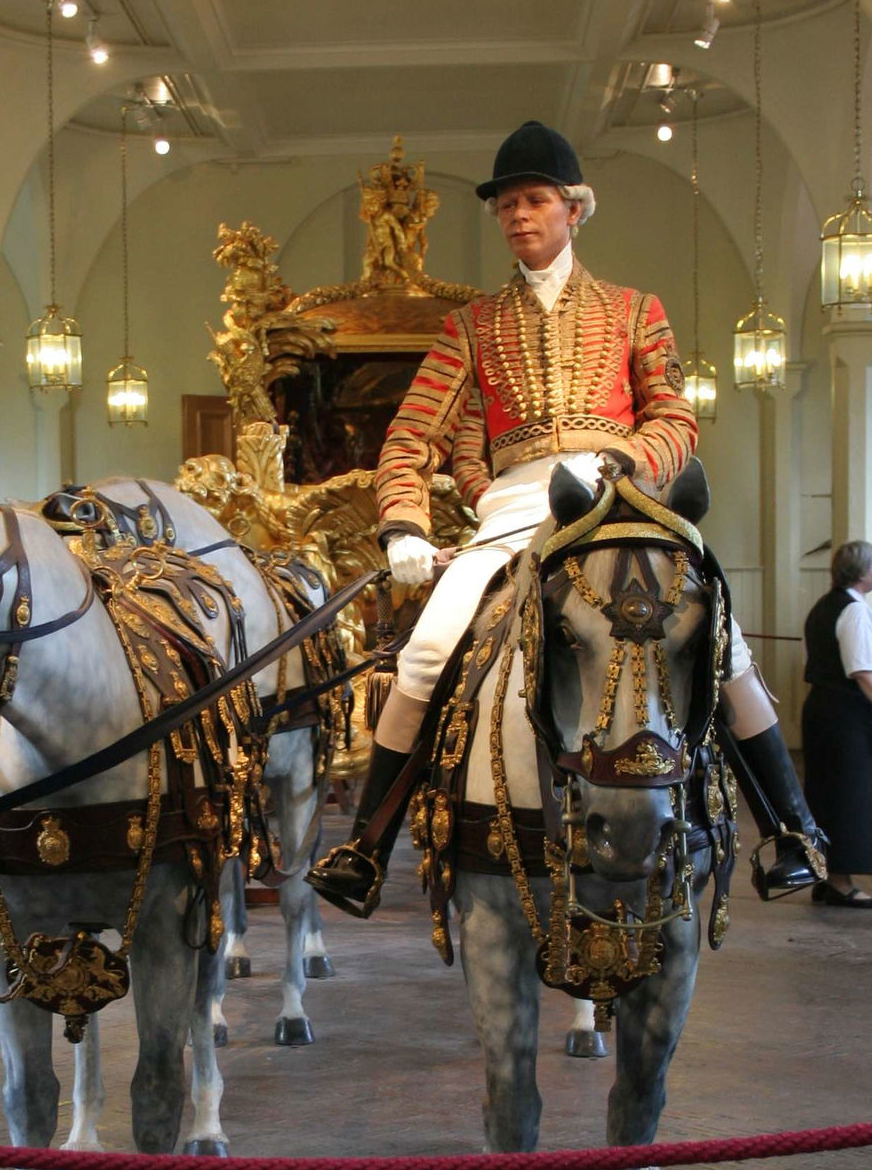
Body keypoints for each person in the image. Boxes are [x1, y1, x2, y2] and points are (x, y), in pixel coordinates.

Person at [309, 119, 824, 917]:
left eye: (536, 199)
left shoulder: (633, 310)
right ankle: (365, 848)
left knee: (726, 646)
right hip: (517, 506)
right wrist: (404, 524)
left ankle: (792, 829)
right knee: (426, 654)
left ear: (574, 208)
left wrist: (625, 466)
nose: (519, 215)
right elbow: (410, 435)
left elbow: (675, 419)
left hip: (621, 495)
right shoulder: (471, 326)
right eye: (508, 203)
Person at [801, 540, 872, 909]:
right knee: (851, 797)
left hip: (827, 712)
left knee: (831, 795)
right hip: (850, 719)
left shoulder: (826, 607)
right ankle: (840, 882)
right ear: (862, 572)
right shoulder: (855, 612)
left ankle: (829, 877)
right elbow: (862, 669)